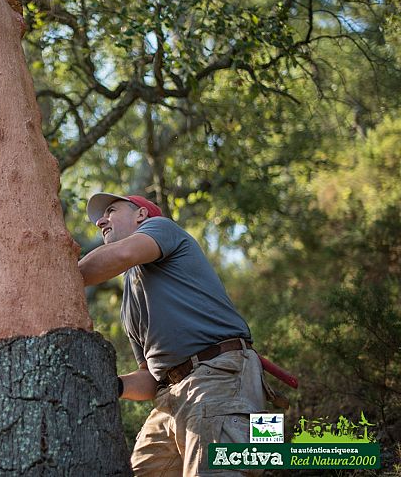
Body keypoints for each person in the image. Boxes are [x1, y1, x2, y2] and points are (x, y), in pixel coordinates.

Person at [79, 192, 267, 476]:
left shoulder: (161, 227)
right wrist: (113, 385)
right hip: (170, 397)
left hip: (221, 376)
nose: (100, 221)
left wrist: (60, 274)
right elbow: (150, 377)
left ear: (141, 215)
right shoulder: (130, 296)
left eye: (111, 211)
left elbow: (122, 254)